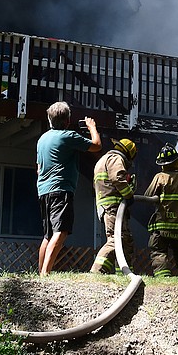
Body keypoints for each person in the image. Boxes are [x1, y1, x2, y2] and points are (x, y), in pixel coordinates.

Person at [36, 102, 101, 276]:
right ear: (67, 121)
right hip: (61, 189)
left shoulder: (42, 139)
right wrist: (91, 127)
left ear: (49, 119)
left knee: (48, 235)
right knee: (61, 231)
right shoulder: (67, 136)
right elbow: (96, 145)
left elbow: (38, 167)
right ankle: (45, 274)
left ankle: (40, 274)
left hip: (43, 190)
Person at [144, 144, 178, 278]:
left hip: (163, 225)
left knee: (158, 252)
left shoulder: (160, 177)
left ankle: (164, 280)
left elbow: (148, 196)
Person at [90, 137, 138, 274]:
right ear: (128, 154)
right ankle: (96, 271)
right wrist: (129, 194)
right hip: (113, 205)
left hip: (108, 205)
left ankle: (124, 274)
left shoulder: (105, 159)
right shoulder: (116, 159)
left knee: (125, 240)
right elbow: (117, 179)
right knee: (115, 240)